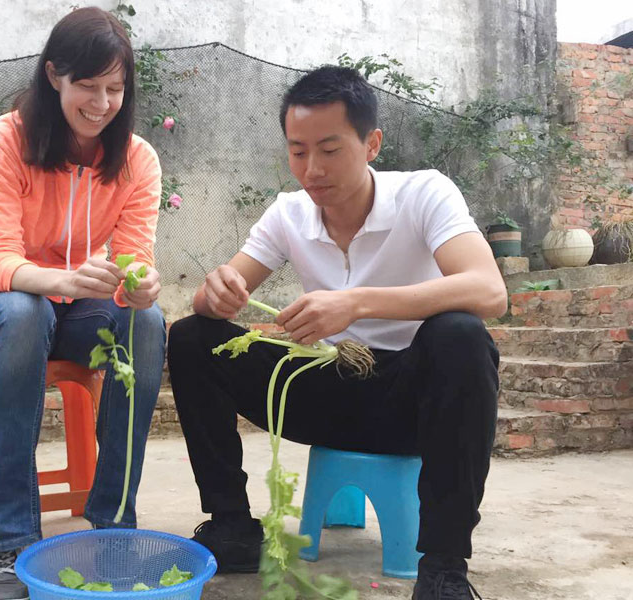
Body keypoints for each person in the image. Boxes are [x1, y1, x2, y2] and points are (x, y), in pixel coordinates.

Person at [167, 66, 505, 600]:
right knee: (191, 336)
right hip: (325, 390)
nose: (312, 169)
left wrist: (357, 304)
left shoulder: (424, 194)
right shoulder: (288, 213)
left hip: (412, 401)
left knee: (460, 334)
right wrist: (217, 291)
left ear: (371, 144)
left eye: (329, 149)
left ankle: (443, 566)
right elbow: (216, 296)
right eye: (298, 151)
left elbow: (490, 291)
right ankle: (232, 524)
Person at [0, 8, 166, 600]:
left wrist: (140, 285)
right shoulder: (4, 141)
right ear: (54, 76)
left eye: (115, 88)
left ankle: (113, 524)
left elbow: (133, 261)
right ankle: (7, 543)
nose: (102, 103)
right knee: (25, 313)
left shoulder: (136, 159)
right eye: (88, 86)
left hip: (80, 314)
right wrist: (65, 281)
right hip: (0, 312)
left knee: (146, 321)